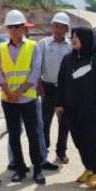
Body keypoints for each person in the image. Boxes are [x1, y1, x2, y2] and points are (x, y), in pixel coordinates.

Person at [56, 26, 96, 189]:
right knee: (79, 141)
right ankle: (88, 169)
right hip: (71, 109)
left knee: (92, 141)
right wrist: (58, 104)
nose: (73, 40)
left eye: (77, 37)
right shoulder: (67, 59)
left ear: (86, 39)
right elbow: (61, 82)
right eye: (72, 36)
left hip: (91, 110)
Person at [0, 9, 45, 184]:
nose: (14, 30)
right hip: (9, 100)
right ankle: (19, 168)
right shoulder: (2, 48)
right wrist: (9, 92)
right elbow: (0, 74)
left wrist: (20, 91)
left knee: (33, 134)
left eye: (17, 26)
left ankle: (38, 170)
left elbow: (36, 71)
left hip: (27, 99)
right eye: (11, 27)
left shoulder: (33, 46)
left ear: (24, 27)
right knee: (14, 135)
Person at [5, 20, 56, 172]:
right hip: (14, 97)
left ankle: (41, 159)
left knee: (37, 128)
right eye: (26, 28)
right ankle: (14, 161)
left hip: (31, 96)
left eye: (27, 29)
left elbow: (36, 70)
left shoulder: (32, 46)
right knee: (15, 130)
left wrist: (40, 89)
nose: (27, 31)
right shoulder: (8, 48)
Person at [37, 12, 72, 164]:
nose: (58, 29)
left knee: (64, 123)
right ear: (52, 27)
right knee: (45, 122)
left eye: (61, 27)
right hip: (48, 89)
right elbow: (36, 67)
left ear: (66, 29)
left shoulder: (71, 46)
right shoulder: (43, 44)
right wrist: (39, 86)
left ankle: (61, 152)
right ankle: (43, 152)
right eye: (56, 26)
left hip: (65, 91)